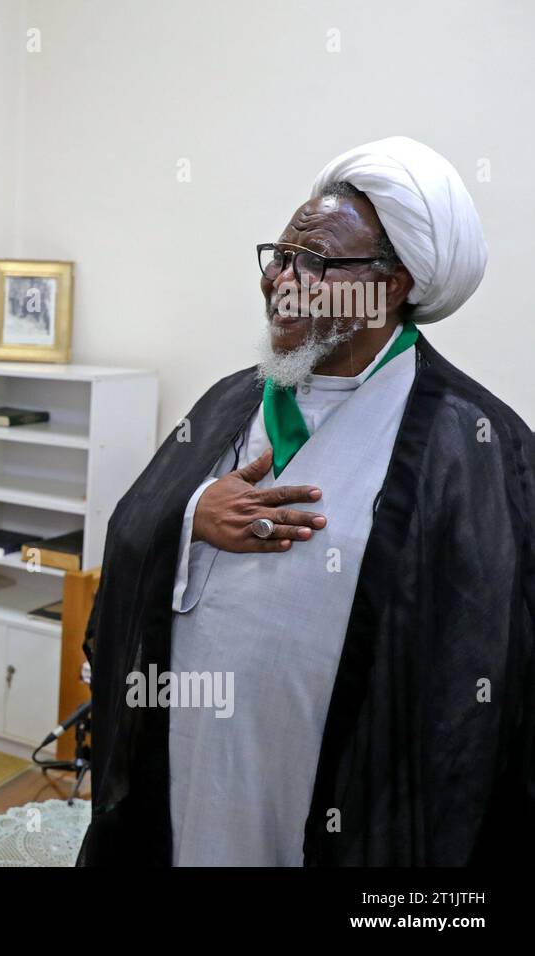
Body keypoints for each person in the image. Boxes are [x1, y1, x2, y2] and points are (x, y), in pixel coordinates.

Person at [79, 136, 534, 866]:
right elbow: (133, 528)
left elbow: (490, 662)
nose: (284, 281)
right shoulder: (231, 401)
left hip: (349, 797)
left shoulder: (475, 443)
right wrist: (193, 514)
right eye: (281, 255)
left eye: (318, 263)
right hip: (193, 763)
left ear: (393, 284)